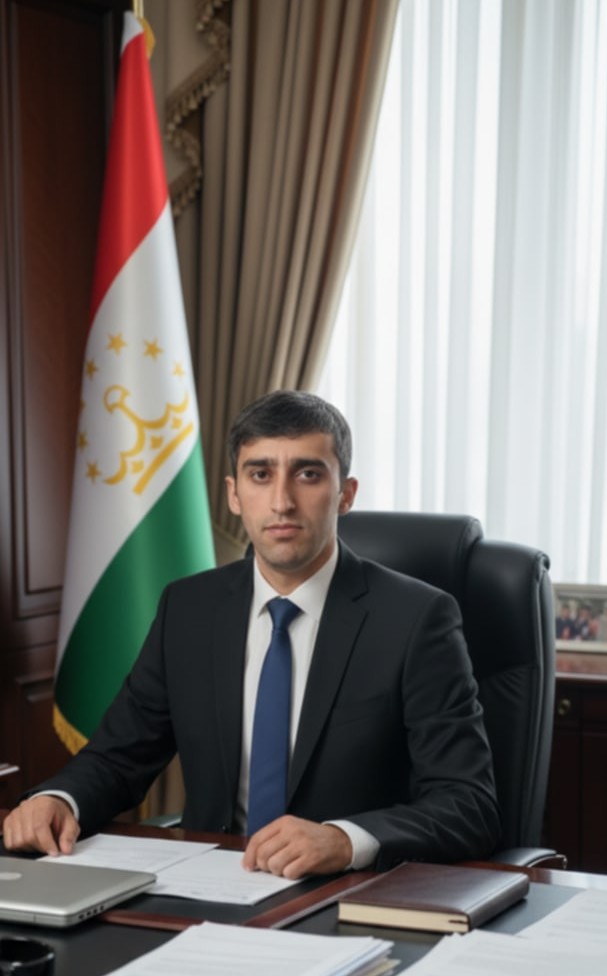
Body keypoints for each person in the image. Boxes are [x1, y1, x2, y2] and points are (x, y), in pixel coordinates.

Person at [3, 390, 500, 878]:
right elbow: (118, 757)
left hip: (345, 894)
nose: (282, 502)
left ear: (346, 494)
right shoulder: (188, 608)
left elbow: (468, 803)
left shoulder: (416, 619)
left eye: (308, 474)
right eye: (260, 474)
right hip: (206, 887)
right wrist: (59, 798)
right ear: (234, 495)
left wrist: (345, 839)